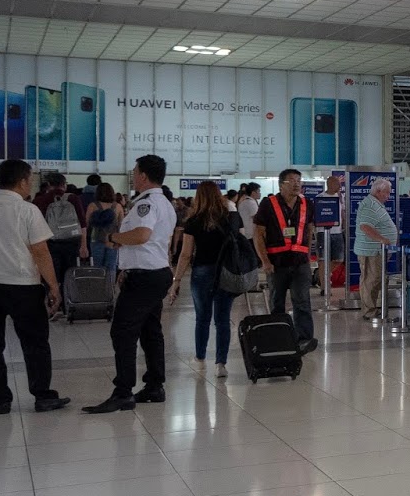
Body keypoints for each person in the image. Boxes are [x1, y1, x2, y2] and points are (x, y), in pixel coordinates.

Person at [83, 154, 177, 413]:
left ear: (143, 176)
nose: (133, 176)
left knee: (122, 332)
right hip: (155, 271)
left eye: (135, 172)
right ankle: (155, 385)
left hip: (145, 276)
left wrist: (115, 237)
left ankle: (123, 391)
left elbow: (142, 235)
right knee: (150, 330)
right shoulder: (164, 202)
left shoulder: (146, 204)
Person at [0, 159, 68, 414]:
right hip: (23, 286)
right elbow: (40, 251)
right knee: (35, 342)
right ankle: (42, 396)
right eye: (30, 179)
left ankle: (0, 399)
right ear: (22, 181)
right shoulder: (27, 210)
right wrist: (53, 286)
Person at [167, 181, 237, 377]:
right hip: (226, 272)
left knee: (202, 318)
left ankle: (200, 358)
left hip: (202, 272)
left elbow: (186, 254)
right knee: (223, 320)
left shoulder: (194, 220)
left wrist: (176, 280)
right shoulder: (229, 218)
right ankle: (221, 364)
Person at [253, 168, 318, 356]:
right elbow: (258, 234)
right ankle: (278, 339)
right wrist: (265, 261)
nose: (297, 184)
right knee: (277, 302)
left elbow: (309, 229)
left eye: (299, 180)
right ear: (281, 185)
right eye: (292, 181)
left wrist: (308, 254)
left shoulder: (306, 204)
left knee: (302, 300)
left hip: (300, 262)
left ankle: (304, 339)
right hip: (277, 263)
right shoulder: (268, 204)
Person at [354, 177, 398, 323]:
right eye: (387, 193)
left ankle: (373, 309)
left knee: (376, 279)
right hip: (371, 250)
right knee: (370, 280)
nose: (389, 196)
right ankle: (369, 311)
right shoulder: (370, 205)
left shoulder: (375, 204)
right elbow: (365, 226)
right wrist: (381, 239)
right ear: (379, 191)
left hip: (377, 251)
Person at [38, 174, 84, 290]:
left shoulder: (40, 200)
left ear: (49, 185)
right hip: (72, 242)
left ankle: (52, 297)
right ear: (64, 184)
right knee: (70, 275)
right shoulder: (73, 198)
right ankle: (68, 298)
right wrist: (84, 246)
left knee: (51, 275)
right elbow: (83, 224)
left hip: (49, 243)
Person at [84, 183, 123, 284]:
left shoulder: (92, 205)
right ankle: (110, 288)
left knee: (97, 266)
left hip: (96, 240)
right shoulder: (118, 206)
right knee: (111, 266)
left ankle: (98, 288)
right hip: (113, 241)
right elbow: (121, 226)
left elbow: (86, 224)